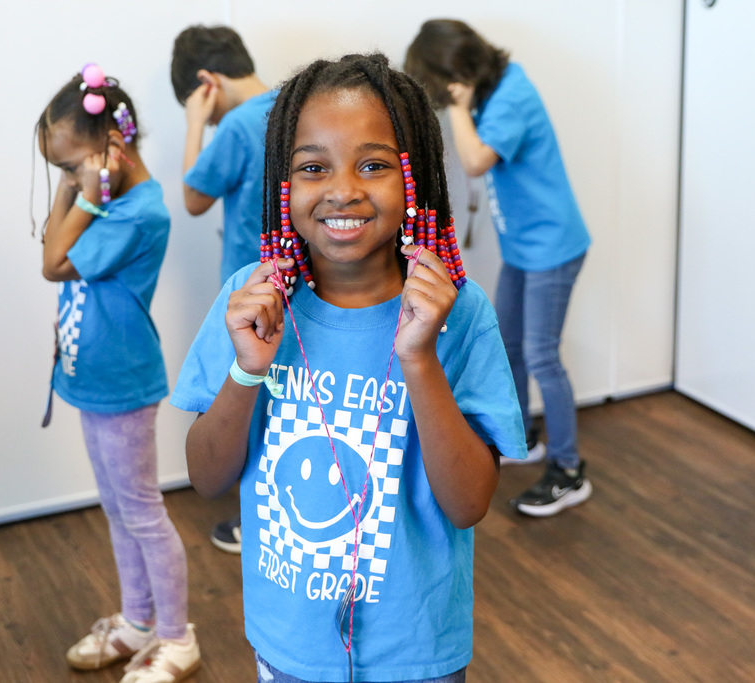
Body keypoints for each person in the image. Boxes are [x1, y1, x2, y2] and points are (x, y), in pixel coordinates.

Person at [170, 53, 526, 683]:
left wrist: (418, 356)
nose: (343, 189)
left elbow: (470, 503)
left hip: (415, 656)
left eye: (373, 165)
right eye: (313, 167)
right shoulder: (249, 304)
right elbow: (205, 477)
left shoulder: (459, 314)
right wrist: (247, 370)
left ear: (414, 180)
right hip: (290, 651)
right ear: (285, 184)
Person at [35, 64, 200, 683]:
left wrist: (81, 194)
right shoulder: (103, 201)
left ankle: (176, 636)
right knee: (116, 507)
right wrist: (79, 184)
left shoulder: (138, 214)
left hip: (124, 384)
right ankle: (136, 622)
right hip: (91, 378)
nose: (69, 182)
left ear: (114, 148)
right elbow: (56, 249)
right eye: (61, 170)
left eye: (73, 166)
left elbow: (52, 262)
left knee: (141, 509)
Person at [406, 19, 593, 518]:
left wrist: (459, 107)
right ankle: (526, 436)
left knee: (541, 355)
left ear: (453, 75)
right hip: (524, 247)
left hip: (553, 246)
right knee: (509, 346)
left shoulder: (511, 94)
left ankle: (569, 470)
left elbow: (473, 160)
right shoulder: (496, 91)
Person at [171, 25, 278, 554]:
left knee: (245, 399)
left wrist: (195, 124)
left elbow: (193, 197)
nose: (208, 117)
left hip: (250, 286)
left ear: (207, 83)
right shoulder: (291, 101)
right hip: (299, 281)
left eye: (204, 104)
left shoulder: (235, 124)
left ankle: (251, 520)